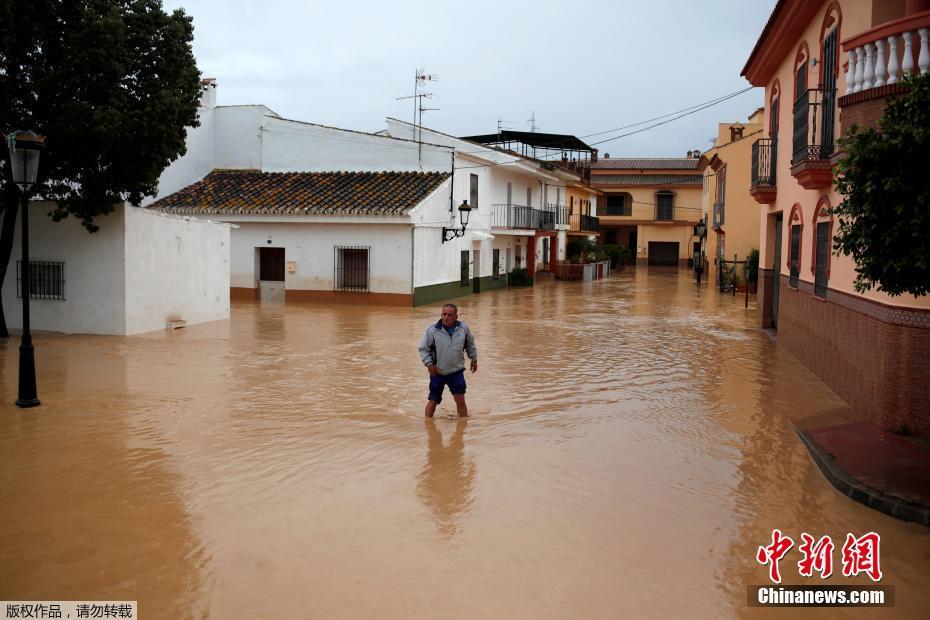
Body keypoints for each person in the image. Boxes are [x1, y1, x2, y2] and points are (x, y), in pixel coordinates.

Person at [418, 303, 478, 418]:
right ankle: (427, 425)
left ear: (456, 317)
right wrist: (429, 364)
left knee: (460, 401)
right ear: (441, 314)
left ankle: (463, 427)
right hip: (437, 372)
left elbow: (470, 344)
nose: (446, 317)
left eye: (450, 315)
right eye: (444, 314)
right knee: (433, 400)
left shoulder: (463, 328)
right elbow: (423, 349)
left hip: (456, 372)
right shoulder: (432, 330)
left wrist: (474, 359)